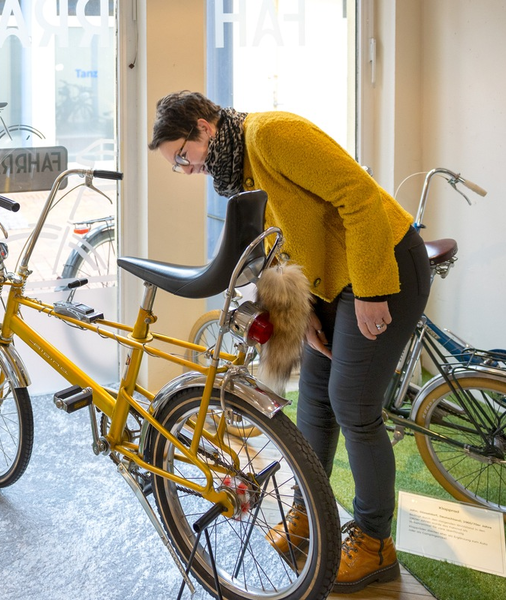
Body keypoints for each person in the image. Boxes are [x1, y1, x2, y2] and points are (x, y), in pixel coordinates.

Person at [149, 91, 430, 594]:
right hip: (333, 283)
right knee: (314, 399)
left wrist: (372, 289)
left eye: (182, 157)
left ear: (203, 127)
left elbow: (359, 196)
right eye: (178, 165)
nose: (187, 170)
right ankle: (309, 513)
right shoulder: (241, 169)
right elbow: (282, 242)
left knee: (353, 404)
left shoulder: (270, 133)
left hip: (383, 264)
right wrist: (302, 315)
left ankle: (374, 544)